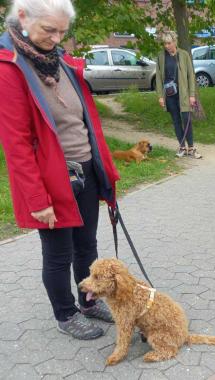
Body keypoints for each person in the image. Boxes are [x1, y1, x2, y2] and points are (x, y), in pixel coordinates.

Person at [0, 0, 119, 339]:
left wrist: (103, 171)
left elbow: (86, 121)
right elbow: (17, 145)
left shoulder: (61, 61)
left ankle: (88, 299)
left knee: (87, 246)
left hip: (87, 172)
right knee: (58, 254)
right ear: (22, 17)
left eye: (62, 32)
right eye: (48, 30)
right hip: (53, 179)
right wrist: (37, 199)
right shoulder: (9, 68)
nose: (55, 38)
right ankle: (65, 314)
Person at [156, 31, 202, 159]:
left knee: (186, 119)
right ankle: (182, 147)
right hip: (170, 94)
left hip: (184, 94)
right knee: (176, 121)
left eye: (169, 43)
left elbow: (191, 75)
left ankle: (191, 148)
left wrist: (192, 95)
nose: (166, 46)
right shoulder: (161, 56)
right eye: (165, 43)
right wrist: (160, 96)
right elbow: (159, 77)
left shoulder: (184, 55)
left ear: (174, 42)